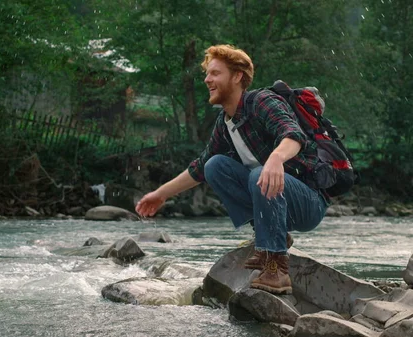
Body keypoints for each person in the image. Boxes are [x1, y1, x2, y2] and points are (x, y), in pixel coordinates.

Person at [134, 44, 328, 295]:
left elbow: (293, 134)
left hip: (309, 202)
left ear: (237, 77)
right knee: (215, 166)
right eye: (207, 74)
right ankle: (269, 236)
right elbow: (200, 168)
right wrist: (160, 194)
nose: (207, 79)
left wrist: (276, 158)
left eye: (215, 73)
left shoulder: (262, 101)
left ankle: (276, 270)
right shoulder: (225, 123)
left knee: (259, 174)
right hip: (276, 200)